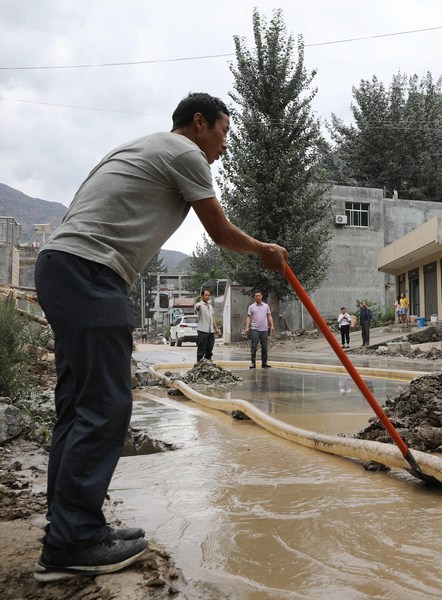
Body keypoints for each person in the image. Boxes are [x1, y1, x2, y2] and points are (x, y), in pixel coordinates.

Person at [32, 92, 288, 582]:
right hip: (90, 272)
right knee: (105, 404)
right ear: (199, 123)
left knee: (78, 405)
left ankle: (71, 529)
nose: (224, 147)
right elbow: (219, 231)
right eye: (224, 133)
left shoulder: (140, 147)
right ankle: (72, 543)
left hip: (61, 266)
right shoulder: (186, 152)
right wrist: (263, 252)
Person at [244, 290, 275, 368]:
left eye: (259, 296)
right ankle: (253, 363)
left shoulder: (266, 306)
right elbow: (248, 317)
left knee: (264, 347)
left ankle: (264, 363)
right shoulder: (251, 307)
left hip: (264, 329)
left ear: (261, 296)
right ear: (254, 297)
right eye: (256, 296)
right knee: (254, 347)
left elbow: (269, 316)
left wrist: (272, 325)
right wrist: (247, 327)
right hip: (255, 329)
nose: (258, 297)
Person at [194, 289, 220, 362]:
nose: (207, 297)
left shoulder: (209, 306)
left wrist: (216, 328)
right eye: (206, 295)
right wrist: (198, 308)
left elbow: (212, 318)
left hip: (211, 332)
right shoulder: (199, 304)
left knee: (209, 350)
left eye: (209, 295)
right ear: (202, 296)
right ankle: (199, 365)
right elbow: (197, 308)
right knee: (201, 350)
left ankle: (207, 365)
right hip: (202, 331)